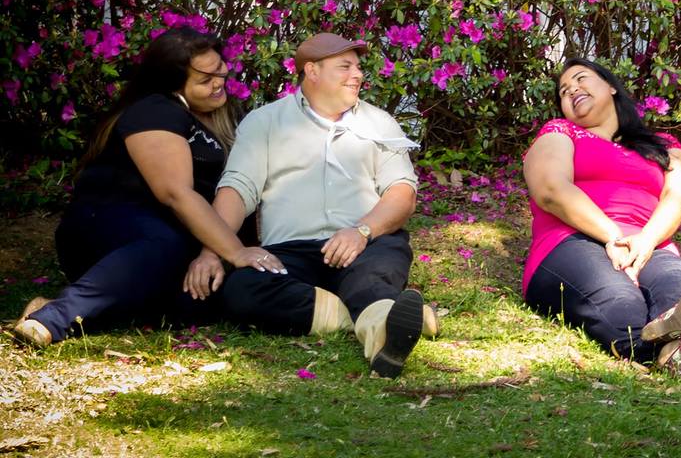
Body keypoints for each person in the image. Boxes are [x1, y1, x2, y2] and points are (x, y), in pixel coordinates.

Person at [13, 27, 282, 347]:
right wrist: (235, 251)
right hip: (111, 228)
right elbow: (175, 194)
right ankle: (56, 317)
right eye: (205, 79)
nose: (218, 82)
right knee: (166, 244)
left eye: (221, 70)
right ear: (172, 85)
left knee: (197, 302)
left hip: (171, 241)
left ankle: (63, 307)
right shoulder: (155, 110)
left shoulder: (225, 115)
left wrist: (212, 254)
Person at [201, 33, 430, 378]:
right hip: (290, 252)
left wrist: (361, 231)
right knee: (243, 289)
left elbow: (402, 192)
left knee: (371, 278)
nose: (358, 74)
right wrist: (211, 251)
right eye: (345, 66)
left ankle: (384, 336)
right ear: (312, 71)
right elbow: (237, 190)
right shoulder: (265, 122)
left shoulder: (379, 122)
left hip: (366, 243)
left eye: (358, 67)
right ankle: (374, 317)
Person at [522, 58, 681, 377]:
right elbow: (550, 188)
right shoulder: (559, 131)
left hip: (647, 241)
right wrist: (613, 237)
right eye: (563, 90)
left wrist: (646, 240)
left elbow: (680, 197)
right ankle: (671, 346)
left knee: (677, 282)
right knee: (622, 302)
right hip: (572, 239)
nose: (571, 89)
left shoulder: (664, 145)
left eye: (581, 78)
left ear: (611, 86)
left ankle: (674, 345)